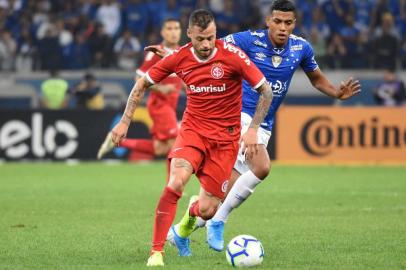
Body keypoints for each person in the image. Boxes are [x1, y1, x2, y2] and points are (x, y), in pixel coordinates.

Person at [166, 0, 361, 253]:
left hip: (264, 123)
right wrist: (176, 57)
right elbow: (210, 44)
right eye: (277, 21)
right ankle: (219, 221)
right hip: (238, 117)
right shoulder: (249, 40)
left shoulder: (302, 48)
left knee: (217, 198)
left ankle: (180, 231)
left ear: (294, 24)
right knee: (262, 166)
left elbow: (315, 77)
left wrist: (335, 92)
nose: (282, 27)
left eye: (288, 23)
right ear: (268, 21)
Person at [109, 9, 273, 266]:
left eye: (211, 37)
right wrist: (124, 122)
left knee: (208, 210)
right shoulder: (180, 57)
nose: (206, 44)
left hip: (225, 141)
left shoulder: (233, 57)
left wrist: (252, 129)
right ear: (190, 35)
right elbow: (141, 84)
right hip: (193, 132)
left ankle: (184, 228)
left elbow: (266, 90)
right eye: (200, 39)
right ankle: (156, 252)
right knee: (176, 182)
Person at [97, 18, 183, 165]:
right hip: (160, 105)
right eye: (169, 29)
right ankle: (173, 188)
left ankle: (117, 141)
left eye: (176, 28)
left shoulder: (181, 52)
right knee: (175, 144)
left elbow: (180, 77)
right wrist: (160, 88)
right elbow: (139, 78)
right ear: (162, 32)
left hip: (170, 105)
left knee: (161, 149)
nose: (173, 32)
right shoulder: (156, 52)